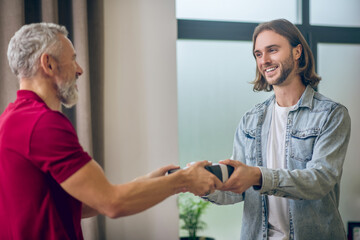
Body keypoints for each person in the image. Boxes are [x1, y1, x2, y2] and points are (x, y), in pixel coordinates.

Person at [0, 22, 223, 240]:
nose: (80, 69)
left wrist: (148, 182)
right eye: (73, 59)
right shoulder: (43, 124)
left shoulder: (10, 120)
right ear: (48, 64)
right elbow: (112, 203)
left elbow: (82, 204)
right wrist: (184, 180)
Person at [203, 19, 351, 240]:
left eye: (272, 50)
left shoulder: (331, 114)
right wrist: (205, 185)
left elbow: (319, 180)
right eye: (258, 54)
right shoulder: (250, 120)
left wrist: (258, 176)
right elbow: (240, 190)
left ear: (297, 51)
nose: (264, 61)